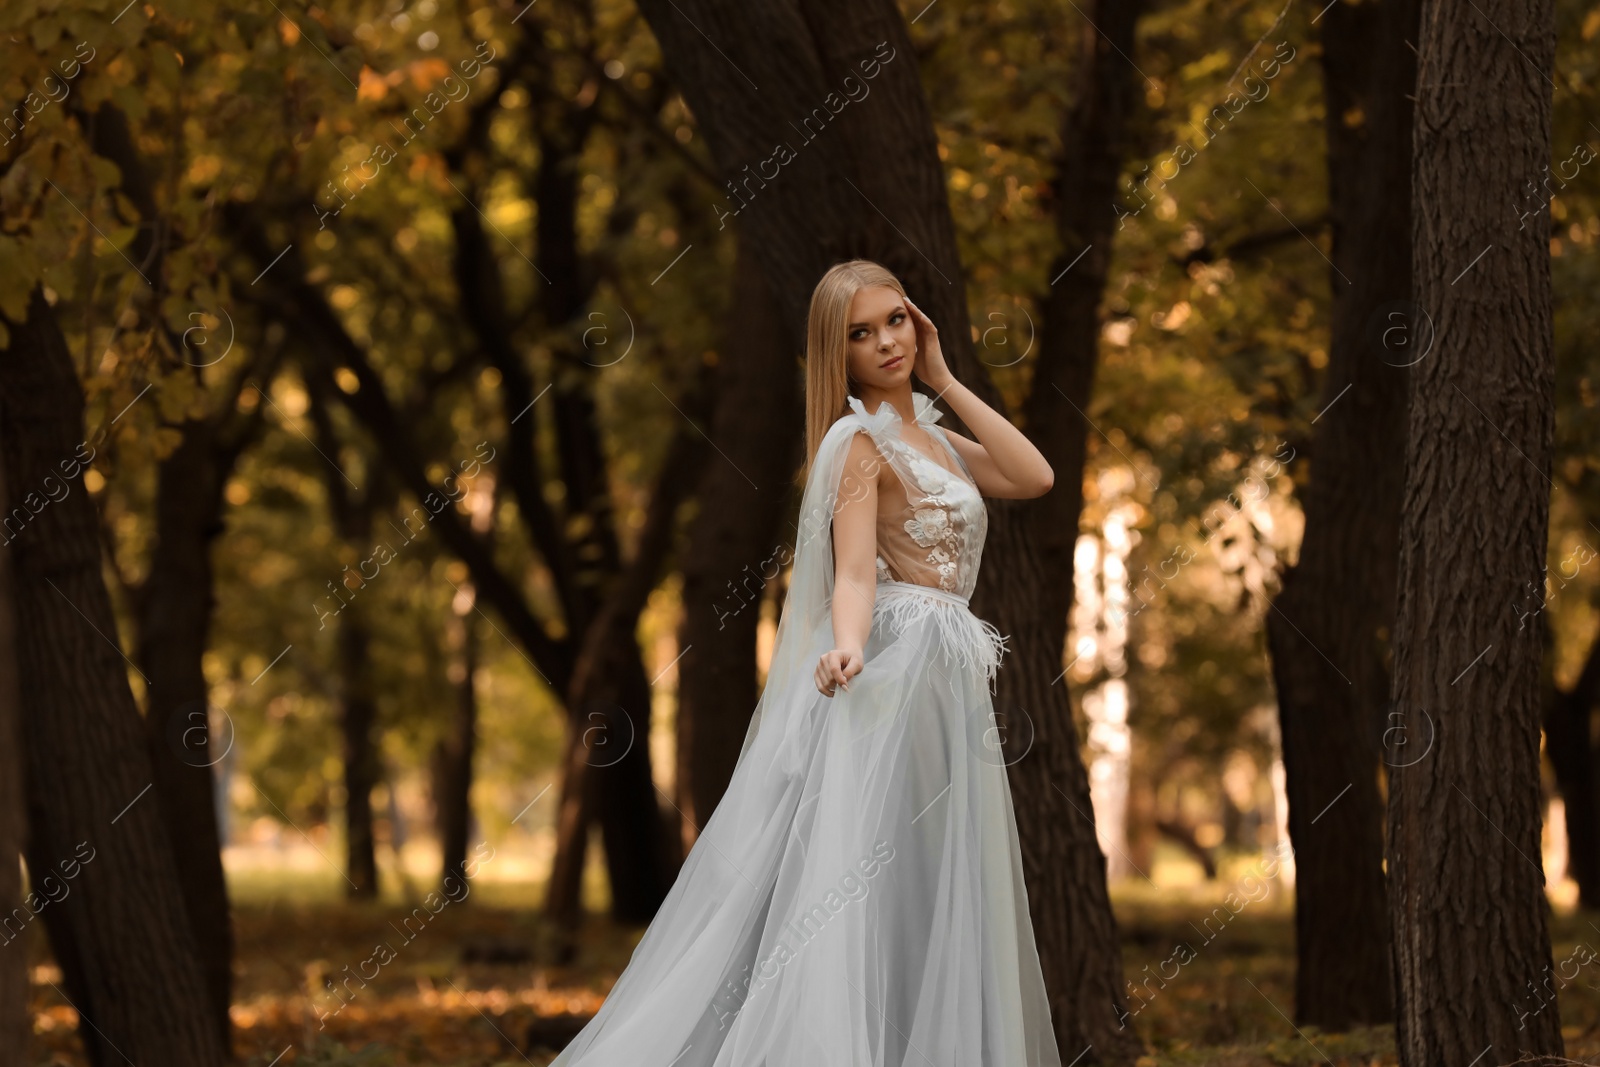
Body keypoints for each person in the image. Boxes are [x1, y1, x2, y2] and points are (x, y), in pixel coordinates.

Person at [548, 259, 1062, 1066]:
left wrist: (947, 377)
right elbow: (853, 570)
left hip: (949, 680)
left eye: (894, 320)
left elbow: (1034, 475)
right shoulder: (858, 443)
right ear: (840, 354)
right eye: (861, 334)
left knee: (937, 881)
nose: (885, 342)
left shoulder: (935, 435)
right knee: (866, 884)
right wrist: (847, 645)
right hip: (895, 671)